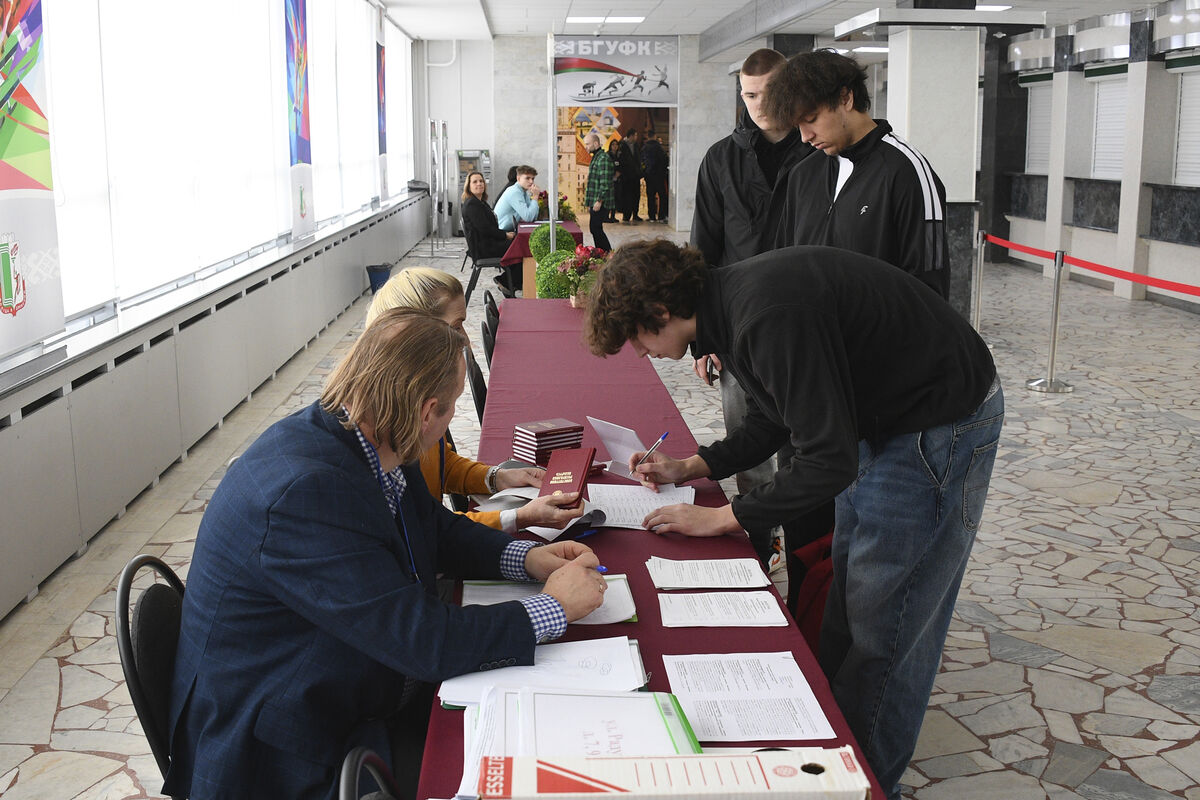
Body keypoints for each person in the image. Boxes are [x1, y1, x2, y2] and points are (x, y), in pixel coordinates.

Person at [583, 239, 1003, 800]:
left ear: (660, 312)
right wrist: (696, 463)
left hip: (938, 424)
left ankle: (867, 787)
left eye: (637, 337)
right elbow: (774, 416)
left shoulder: (764, 314)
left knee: (888, 632)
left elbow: (828, 459)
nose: (640, 351)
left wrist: (726, 518)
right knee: (848, 606)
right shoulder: (729, 306)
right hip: (884, 421)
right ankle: (830, 762)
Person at [165, 309, 607, 800]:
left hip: (337, 676)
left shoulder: (373, 432)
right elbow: (421, 642)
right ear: (425, 410)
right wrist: (553, 608)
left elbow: (434, 529)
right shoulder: (304, 494)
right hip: (282, 748)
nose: (448, 422)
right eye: (452, 406)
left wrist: (524, 559)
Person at [689, 48, 817, 565]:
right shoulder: (721, 158)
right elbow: (703, 246)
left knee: (803, 446)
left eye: (766, 93)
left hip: (805, 321)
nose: (757, 104)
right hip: (736, 327)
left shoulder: (818, 153)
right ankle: (759, 547)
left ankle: (806, 549)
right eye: (748, 94)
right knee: (750, 440)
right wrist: (702, 338)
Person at [365, 268, 583, 532]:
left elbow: (441, 464)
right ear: (417, 335)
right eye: (456, 326)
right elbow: (429, 531)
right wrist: (520, 517)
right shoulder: (386, 436)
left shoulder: (420, 397)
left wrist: (496, 477)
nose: (466, 340)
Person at [763, 49, 950, 299]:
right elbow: (782, 264)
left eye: (812, 119)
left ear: (846, 98)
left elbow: (929, 288)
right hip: (812, 335)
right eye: (798, 126)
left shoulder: (906, 171)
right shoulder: (802, 174)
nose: (805, 137)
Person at [460, 171, 520, 292]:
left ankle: (510, 283)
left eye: (481, 181)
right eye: (475, 182)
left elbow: (488, 228)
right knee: (520, 250)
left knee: (518, 246)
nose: (479, 184)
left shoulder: (480, 202)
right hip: (484, 249)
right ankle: (506, 282)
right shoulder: (472, 204)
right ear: (469, 186)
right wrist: (505, 235)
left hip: (488, 243)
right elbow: (485, 229)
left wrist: (505, 235)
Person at [582, 132, 614, 252]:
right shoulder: (597, 157)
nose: (586, 147)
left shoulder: (603, 158)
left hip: (600, 201)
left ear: (596, 143)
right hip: (596, 199)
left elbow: (605, 183)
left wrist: (599, 200)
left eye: (588, 144)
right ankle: (602, 252)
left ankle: (606, 253)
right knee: (595, 228)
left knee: (595, 228)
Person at [492, 165, 540, 233]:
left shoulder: (523, 191)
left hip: (508, 231)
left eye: (533, 179)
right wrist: (535, 197)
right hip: (501, 234)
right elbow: (528, 217)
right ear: (518, 178)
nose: (531, 181)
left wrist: (534, 198)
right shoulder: (514, 192)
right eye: (527, 178)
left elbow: (533, 216)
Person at [640, 135, 668, 223]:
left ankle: (651, 216)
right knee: (662, 196)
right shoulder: (659, 148)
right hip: (659, 177)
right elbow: (665, 160)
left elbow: (642, 161)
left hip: (649, 176)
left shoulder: (644, 148)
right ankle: (661, 216)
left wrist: (645, 173)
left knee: (650, 197)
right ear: (655, 137)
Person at [617, 128, 642, 222]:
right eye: (635, 135)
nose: (636, 137)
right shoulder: (622, 145)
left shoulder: (636, 145)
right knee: (627, 196)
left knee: (636, 195)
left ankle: (635, 214)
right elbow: (621, 160)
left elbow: (638, 158)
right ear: (631, 135)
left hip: (635, 176)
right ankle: (626, 215)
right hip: (626, 176)